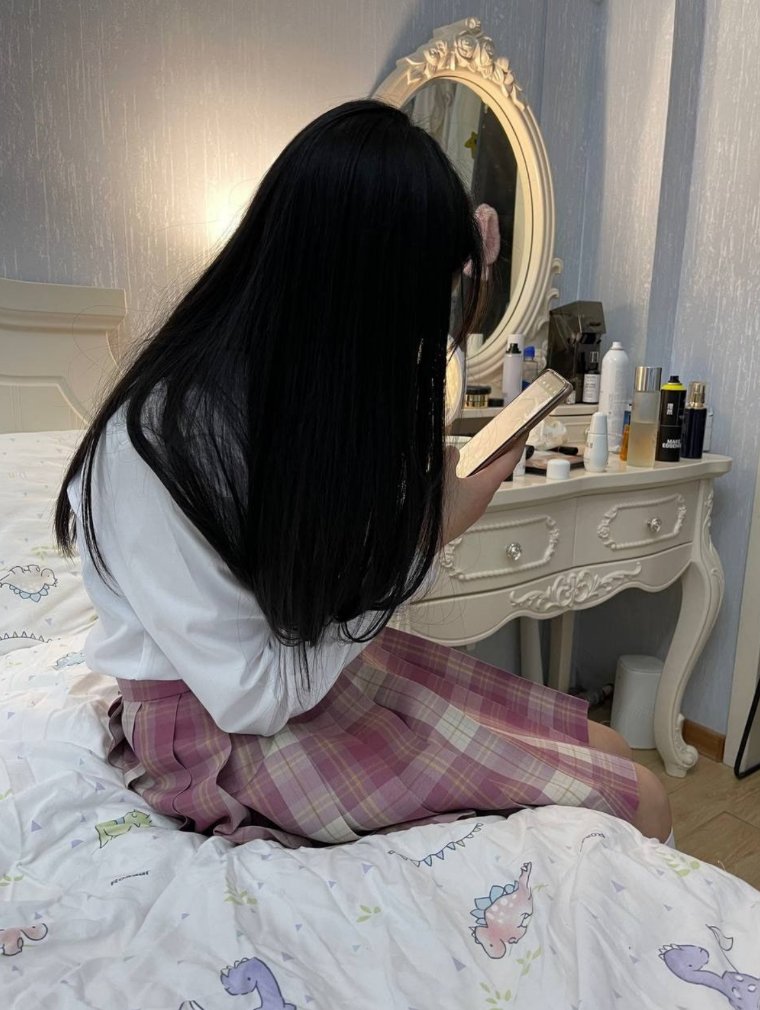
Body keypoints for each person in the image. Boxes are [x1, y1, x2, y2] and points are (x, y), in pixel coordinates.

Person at [55, 99, 672, 848]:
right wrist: (428, 533)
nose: (416, 343)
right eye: (413, 312)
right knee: (637, 796)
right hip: (219, 727)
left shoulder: (291, 400)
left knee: (611, 750)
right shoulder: (154, 443)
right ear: (351, 300)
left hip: (298, 671)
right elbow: (252, 697)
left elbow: (312, 596)